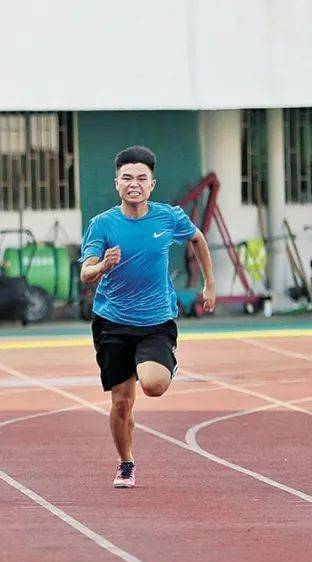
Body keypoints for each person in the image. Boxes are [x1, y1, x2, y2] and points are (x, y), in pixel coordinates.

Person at [80, 145, 216, 488]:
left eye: (141, 178)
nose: (134, 184)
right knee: (122, 404)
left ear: (152, 184)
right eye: (127, 178)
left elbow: (197, 239)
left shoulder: (168, 217)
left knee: (154, 385)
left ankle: (162, 360)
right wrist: (102, 265)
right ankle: (126, 463)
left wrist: (209, 285)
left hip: (156, 320)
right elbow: (85, 274)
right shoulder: (103, 224)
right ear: (117, 183)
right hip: (112, 321)